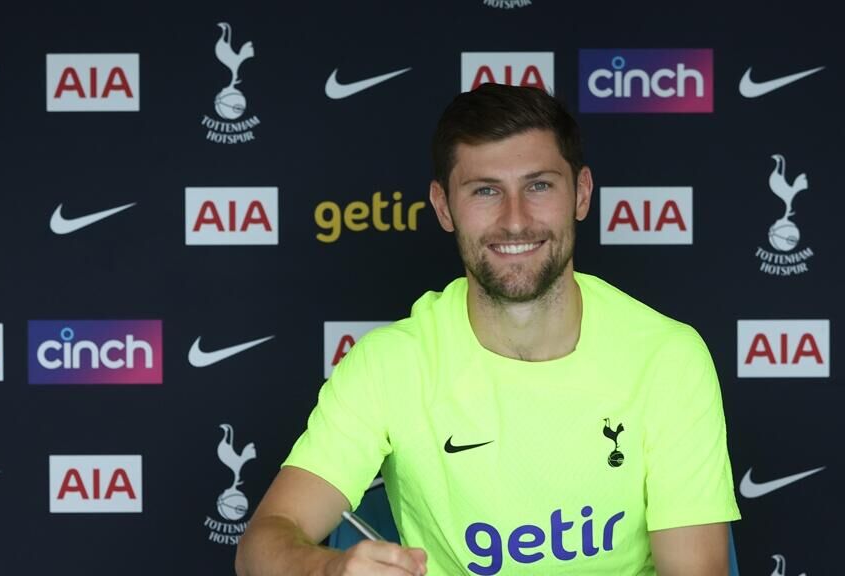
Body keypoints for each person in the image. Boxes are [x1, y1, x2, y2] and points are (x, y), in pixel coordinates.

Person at [236, 83, 740, 576]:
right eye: (485, 191)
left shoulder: (668, 358)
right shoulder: (389, 364)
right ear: (443, 207)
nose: (515, 221)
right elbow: (264, 542)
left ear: (581, 194)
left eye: (539, 186)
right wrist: (330, 569)